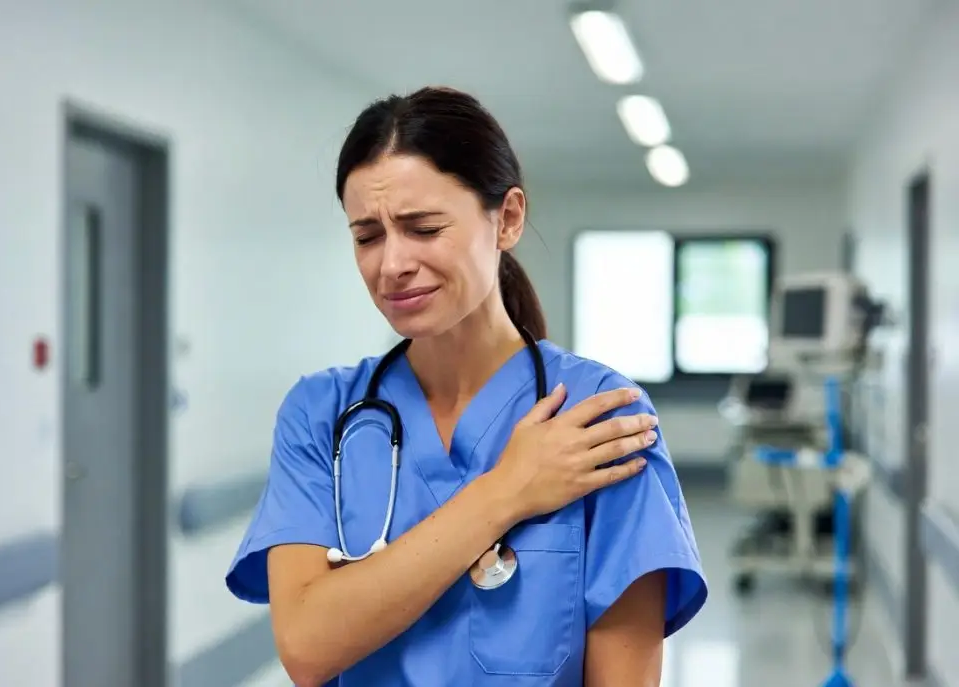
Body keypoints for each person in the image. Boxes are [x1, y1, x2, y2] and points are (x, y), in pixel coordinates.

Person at [225, 86, 708, 687]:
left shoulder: (599, 418)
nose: (391, 264)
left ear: (506, 219)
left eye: (423, 228)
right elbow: (307, 648)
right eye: (367, 236)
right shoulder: (322, 415)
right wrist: (505, 492)